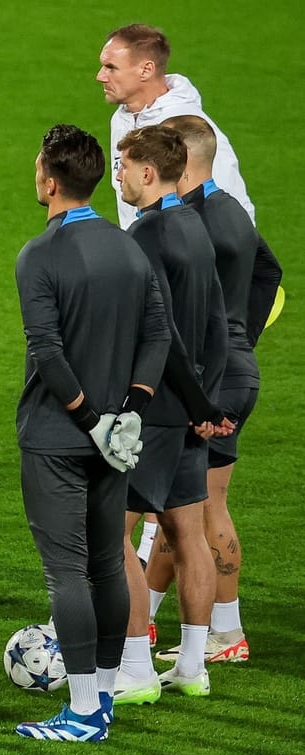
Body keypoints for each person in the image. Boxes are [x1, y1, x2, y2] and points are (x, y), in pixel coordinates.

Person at [11, 125, 170, 742]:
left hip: (59, 437)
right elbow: (159, 335)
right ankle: (101, 697)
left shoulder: (39, 255)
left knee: (66, 572)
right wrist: (130, 411)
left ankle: (80, 712)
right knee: (108, 561)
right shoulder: (129, 248)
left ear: (50, 180)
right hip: (118, 440)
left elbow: (47, 354)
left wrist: (89, 420)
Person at [142, 115, 281, 665]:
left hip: (207, 378)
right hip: (232, 368)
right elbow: (269, 272)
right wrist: (242, 334)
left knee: (188, 510)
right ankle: (166, 623)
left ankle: (222, 632)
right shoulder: (233, 214)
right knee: (185, 509)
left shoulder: (188, 223)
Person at [110, 125, 232, 707]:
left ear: (148, 173)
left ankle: (133, 668)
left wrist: (190, 401)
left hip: (158, 410)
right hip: (190, 409)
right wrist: (204, 404)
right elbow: (214, 327)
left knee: (114, 534)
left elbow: (165, 337)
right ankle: (191, 666)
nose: (119, 175)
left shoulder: (146, 235)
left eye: (124, 165)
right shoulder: (195, 225)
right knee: (188, 533)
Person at [98, 23, 254, 231]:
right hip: (145, 251)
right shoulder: (122, 119)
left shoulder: (187, 129)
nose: (100, 76)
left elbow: (229, 204)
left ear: (146, 70)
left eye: (111, 68)